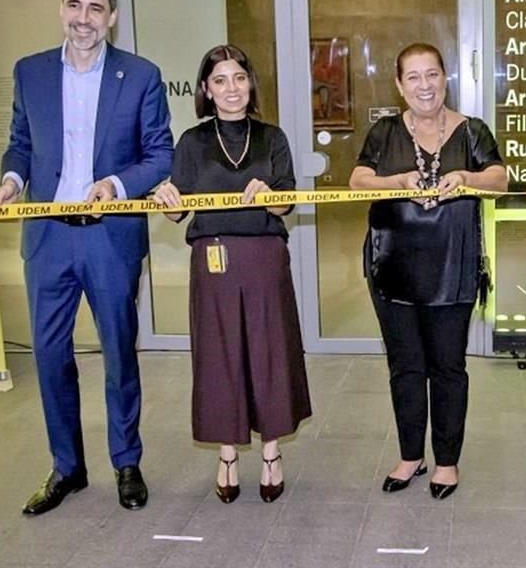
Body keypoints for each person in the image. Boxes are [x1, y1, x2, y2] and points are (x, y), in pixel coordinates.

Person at [0, 0, 173, 515]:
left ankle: (126, 461)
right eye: (74, 5)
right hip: (46, 239)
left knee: (118, 354)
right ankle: (66, 467)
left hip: (108, 240)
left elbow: (158, 153)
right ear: (61, 9)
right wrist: (11, 180)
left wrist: (115, 185)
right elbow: (21, 142)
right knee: (49, 357)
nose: (83, 19)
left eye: (95, 8)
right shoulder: (31, 72)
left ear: (112, 17)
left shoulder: (139, 76)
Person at [152, 45, 311, 504]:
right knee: (220, 357)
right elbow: (178, 213)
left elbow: (287, 203)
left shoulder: (272, 138)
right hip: (213, 262)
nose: (231, 89)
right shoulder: (192, 142)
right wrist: (167, 200)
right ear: (206, 89)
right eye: (219, 80)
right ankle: (226, 454)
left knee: (269, 353)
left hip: (264, 258)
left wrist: (267, 196)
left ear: (250, 83)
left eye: (238, 78)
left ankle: (272, 453)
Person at [349, 43, 507, 500]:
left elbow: (500, 179)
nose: (424, 85)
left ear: (445, 78)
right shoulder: (384, 133)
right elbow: (358, 181)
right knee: (405, 367)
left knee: (448, 368)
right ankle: (410, 455)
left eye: (432, 74)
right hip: (391, 269)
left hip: (452, 269)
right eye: (413, 77)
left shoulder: (471, 131)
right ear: (399, 85)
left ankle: (447, 461)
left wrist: (468, 179)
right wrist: (394, 182)